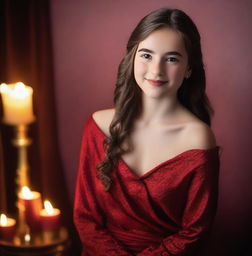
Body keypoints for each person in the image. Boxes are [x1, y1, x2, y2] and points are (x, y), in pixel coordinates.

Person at [74, 7, 220, 256]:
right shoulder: (98, 126)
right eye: (146, 55)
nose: (156, 70)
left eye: (172, 58)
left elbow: (194, 231)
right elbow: (85, 217)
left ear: (189, 68)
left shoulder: (198, 138)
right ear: (131, 58)